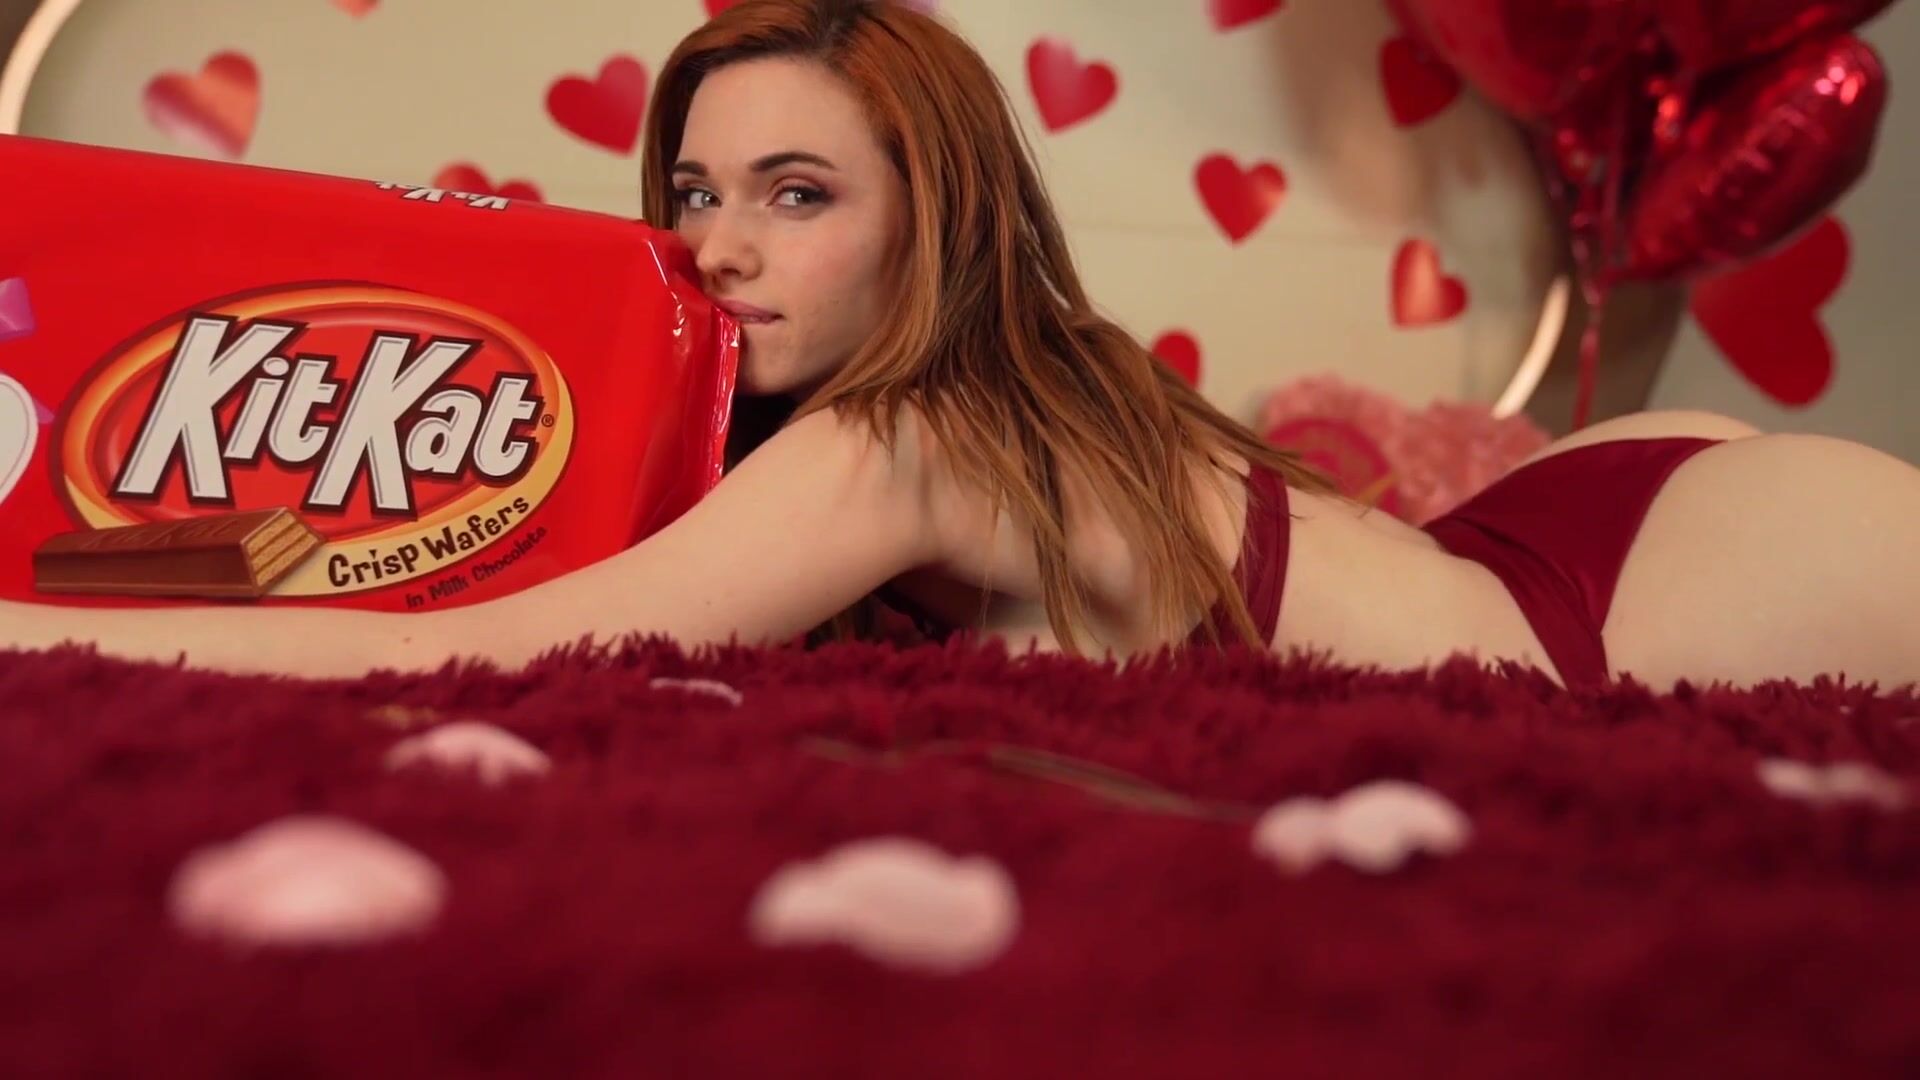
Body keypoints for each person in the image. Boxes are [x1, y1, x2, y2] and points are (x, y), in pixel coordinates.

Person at [2, 0, 1915, 691]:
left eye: (799, 194)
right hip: (1571, 525)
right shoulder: (923, 422)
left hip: (1631, 599)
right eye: (695, 189)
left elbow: (488, 652)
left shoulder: (913, 433)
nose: (717, 245)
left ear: (940, 216)